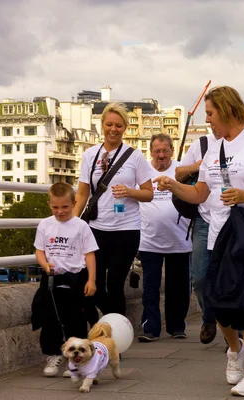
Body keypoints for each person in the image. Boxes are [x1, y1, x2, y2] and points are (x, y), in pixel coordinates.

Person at [154, 86, 244, 397]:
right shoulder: (213, 147)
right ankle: (234, 346)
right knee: (213, 297)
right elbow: (201, 193)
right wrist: (174, 185)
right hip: (217, 234)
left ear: (227, 110)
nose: (208, 120)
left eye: (211, 114)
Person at [74, 103, 154, 317]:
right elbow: (82, 194)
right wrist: (69, 223)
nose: (113, 129)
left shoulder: (134, 156)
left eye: (118, 125)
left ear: (125, 128)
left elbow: (149, 193)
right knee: (94, 283)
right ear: (102, 125)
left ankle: (116, 337)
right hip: (96, 229)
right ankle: (114, 324)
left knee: (116, 284)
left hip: (126, 230)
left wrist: (130, 192)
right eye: (109, 124)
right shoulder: (90, 155)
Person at [32, 182, 98, 377]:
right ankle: (53, 355)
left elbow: (90, 254)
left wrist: (91, 280)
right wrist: (44, 265)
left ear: (74, 203)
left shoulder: (81, 226)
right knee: (50, 317)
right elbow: (39, 250)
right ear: (49, 205)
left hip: (76, 277)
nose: (60, 211)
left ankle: (76, 362)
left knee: (76, 318)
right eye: (55, 207)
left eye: (65, 207)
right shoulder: (45, 224)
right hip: (52, 277)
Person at [137, 133, 193, 342]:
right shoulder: (142, 171)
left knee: (178, 288)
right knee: (150, 288)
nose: (161, 155)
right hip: (149, 240)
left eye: (165, 150)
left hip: (179, 239)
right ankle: (150, 328)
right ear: (150, 151)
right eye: (157, 151)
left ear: (172, 150)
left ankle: (177, 326)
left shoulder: (180, 170)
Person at [175, 130, 221, 344]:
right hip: (204, 219)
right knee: (200, 278)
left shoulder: (243, 142)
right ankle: (210, 317)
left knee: (233, 276)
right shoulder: (201, 144)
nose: (209, 119)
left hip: (234, 219)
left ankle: (237, 331)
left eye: (212, 113)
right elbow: (179, 173)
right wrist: (196, 166)